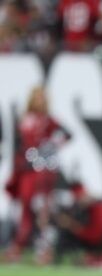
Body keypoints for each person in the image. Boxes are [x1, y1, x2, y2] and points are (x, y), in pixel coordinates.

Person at [4, 86, 69, 262]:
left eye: (43, 97)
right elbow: (18, 145)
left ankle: (43, 250)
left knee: (42, 210)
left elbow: (67, 134)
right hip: (26, 172)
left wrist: (49, 148)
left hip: (42, 172)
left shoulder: (48, 120)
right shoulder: (24, 119)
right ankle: (17, 246)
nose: (40, 101)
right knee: (24, 209)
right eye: (37, 97)